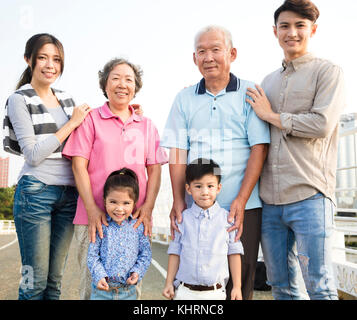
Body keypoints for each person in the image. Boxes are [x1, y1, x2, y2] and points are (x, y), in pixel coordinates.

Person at [160, 25, 270, 300]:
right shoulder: (183, 99)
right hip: (195, 203)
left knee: (239, 282)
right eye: (201, 51)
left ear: (232, 53)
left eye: (215, 50)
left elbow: (259, 147)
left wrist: (242, 200)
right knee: (193, 276)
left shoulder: (250, 92)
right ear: (194, 58)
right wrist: (177, 200)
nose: (208, 57)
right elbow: (177, 152)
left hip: (242, 204)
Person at [246, 0, 346, 300]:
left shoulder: (328, 72)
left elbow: (321, 124)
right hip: (270, 202)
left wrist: (271, 116)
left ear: (312, 30)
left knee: (319, 285)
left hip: (311, 196)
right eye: (285, 26)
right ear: (275, 31)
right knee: (281, 287)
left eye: (300, 25)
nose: (292, 32)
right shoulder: (267, 82)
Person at [62, 57, 168, 300]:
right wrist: (92, 209)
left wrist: (148, 207)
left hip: (133, 219)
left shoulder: (147, 125)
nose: (122, 84)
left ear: (136, 86)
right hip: (93, 217)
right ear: (105, 85)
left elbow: (155, 169)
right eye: (116, 78)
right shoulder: (90, 119)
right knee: (92, 287)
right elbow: (79, 165)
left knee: (130, 288)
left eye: (129, 79)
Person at [2, 33, 91, 299]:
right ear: (29, 60)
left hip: (68, 195)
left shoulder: (66, 99)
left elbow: (90, 135)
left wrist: (128, 111)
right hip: (35, 193)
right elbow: (32, 154)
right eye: (42, 58)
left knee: (54, 283)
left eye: (56, 59)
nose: (50, 65)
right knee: (34, 283)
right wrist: (71, 123)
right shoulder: (19, 99)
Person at [162, 158, 244, 300]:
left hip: (216, 293)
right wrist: (169, 282)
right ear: (188, 189)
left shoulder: (228, 220)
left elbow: (234, 253)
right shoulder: (182, 220)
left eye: (210, 186)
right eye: (198, 186)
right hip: (184, 292)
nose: (205, 192)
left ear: (218, 188)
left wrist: (237, 286)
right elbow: (175, 251)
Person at [87, 168, 151, 300]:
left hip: (128, 292)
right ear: (105, 200)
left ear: (134, 203)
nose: (119, 208)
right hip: (102, 291)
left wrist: (137, 272)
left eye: (126, 203)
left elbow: (145, 253)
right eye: (113, 202)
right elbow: (92, 255)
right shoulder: (102, 226)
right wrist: (99, 276)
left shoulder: (138, 227)